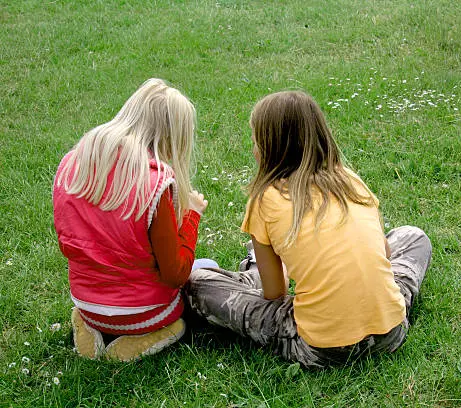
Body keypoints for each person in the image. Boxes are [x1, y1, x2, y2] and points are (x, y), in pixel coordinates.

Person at [186, 90, 432, 368]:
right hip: (391, 333)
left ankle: (253, 270)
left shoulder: (265, 198)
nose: (253, 148)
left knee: (198, 283)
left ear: (270, 147)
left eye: (255, 140)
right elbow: (386, 254)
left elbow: (275, 293)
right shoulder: (349, 179)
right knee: (413, 236)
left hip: (322, 348)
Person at [53, 78, 213, 361]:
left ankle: (88, 328)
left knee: (92, 306)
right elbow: (175, 274)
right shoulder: (154, 183)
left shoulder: (72, 164)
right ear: (170, 138)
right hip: (144, 314)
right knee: (205, 269)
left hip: (86, 303)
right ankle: (141, 340)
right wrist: (191, 215)